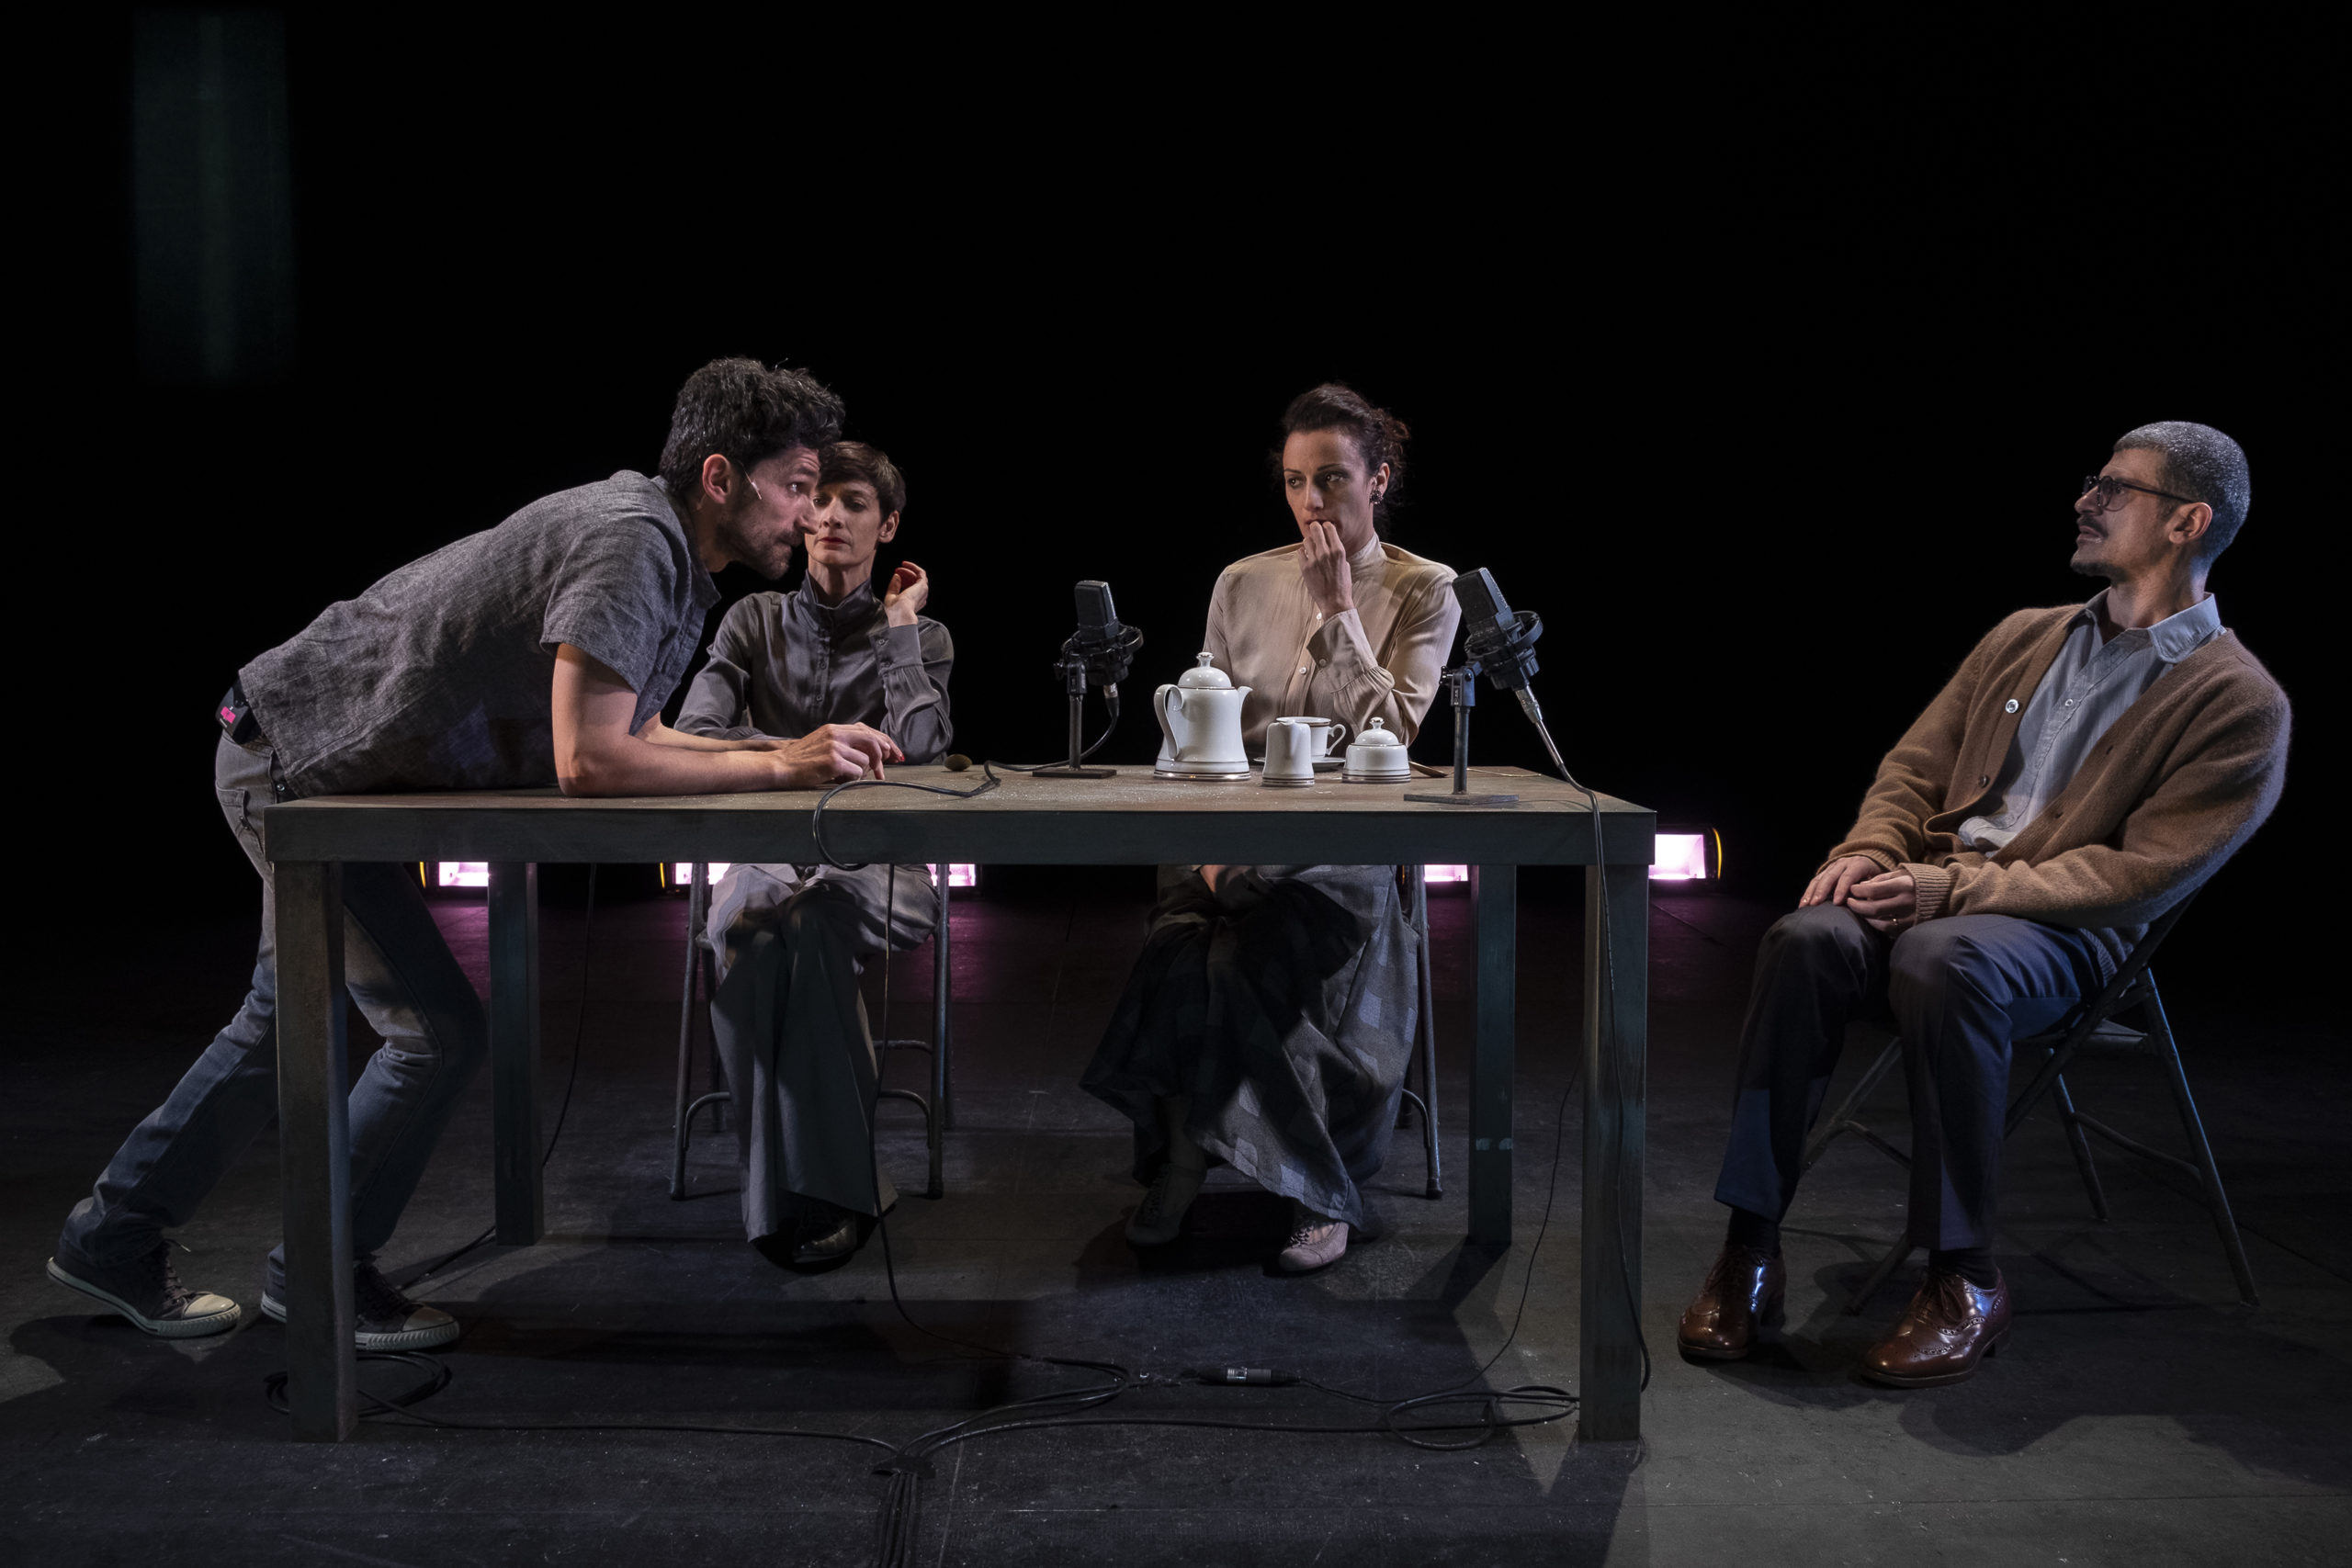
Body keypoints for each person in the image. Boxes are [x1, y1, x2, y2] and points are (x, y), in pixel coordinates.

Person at [46, 358, 900, 1347]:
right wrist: (782, 766)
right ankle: (317, 1273)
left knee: (284, 1022)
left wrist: (782, 747)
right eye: (795, 486)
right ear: (720, 478)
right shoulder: (630, 543)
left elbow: (641, 730)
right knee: (432, 1031)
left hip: (305, 762)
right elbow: (589, 761)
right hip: (292, 765)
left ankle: (116, 1240)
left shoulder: (665, 549)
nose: (809, 515)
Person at [1679, 422, 2290, 1387]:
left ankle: (1962, 1277)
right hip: (1935, 892)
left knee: (1945, 958)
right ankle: (1748, 1248)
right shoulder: (2023, 635)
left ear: (2187, 522)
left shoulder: (2238, 701)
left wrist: (1950, 889)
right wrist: (1870, 851)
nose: (2084, 500)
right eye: (2090, 482)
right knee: (1804, 938)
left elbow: (2138, 877)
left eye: (2114, 488)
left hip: (2063, 938)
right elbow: (1912, 770)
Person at [1082, 384, 1462, 1272]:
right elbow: (1196, 740)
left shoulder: (1425, 589)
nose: (1311, 500)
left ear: (1378, 479)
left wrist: (1337, 613)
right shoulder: (1242, 581)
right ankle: (1199, 1164)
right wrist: (1210, 856)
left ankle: (1299, 1186)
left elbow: (1393, 733)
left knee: (1239, 960)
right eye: (1295, 481)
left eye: (1332, 477)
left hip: (1344, 850)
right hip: (1226, 838)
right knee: (1184, 950)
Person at [673, 440, 953, 1269]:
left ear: (887, 524)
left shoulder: (924, 635)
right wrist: (804, 750)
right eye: (818, 498)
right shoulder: (751, 621)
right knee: (753, 931)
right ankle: (822, 1194)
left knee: (812, 926)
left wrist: (897, 633)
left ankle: (811, 1197)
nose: (830, 515)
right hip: (763, 855)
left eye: (853, 502)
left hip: (881, 862)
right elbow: (693, 734)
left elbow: (925, 751)